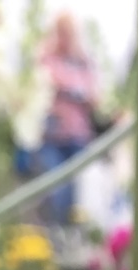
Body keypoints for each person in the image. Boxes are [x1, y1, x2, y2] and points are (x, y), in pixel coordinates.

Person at [37, 12, 98, 226]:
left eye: (68, 32)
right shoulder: (46, 55)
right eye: (60, 32)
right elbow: (45, 83)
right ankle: (55, 236)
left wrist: (68, 88)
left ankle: (71, 236)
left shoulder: (84, 60)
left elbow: (94, 96)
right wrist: (75, 90)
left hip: (78, 136)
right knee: (56, 188)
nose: (64, 37)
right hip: (52, 136)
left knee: (78, 191)